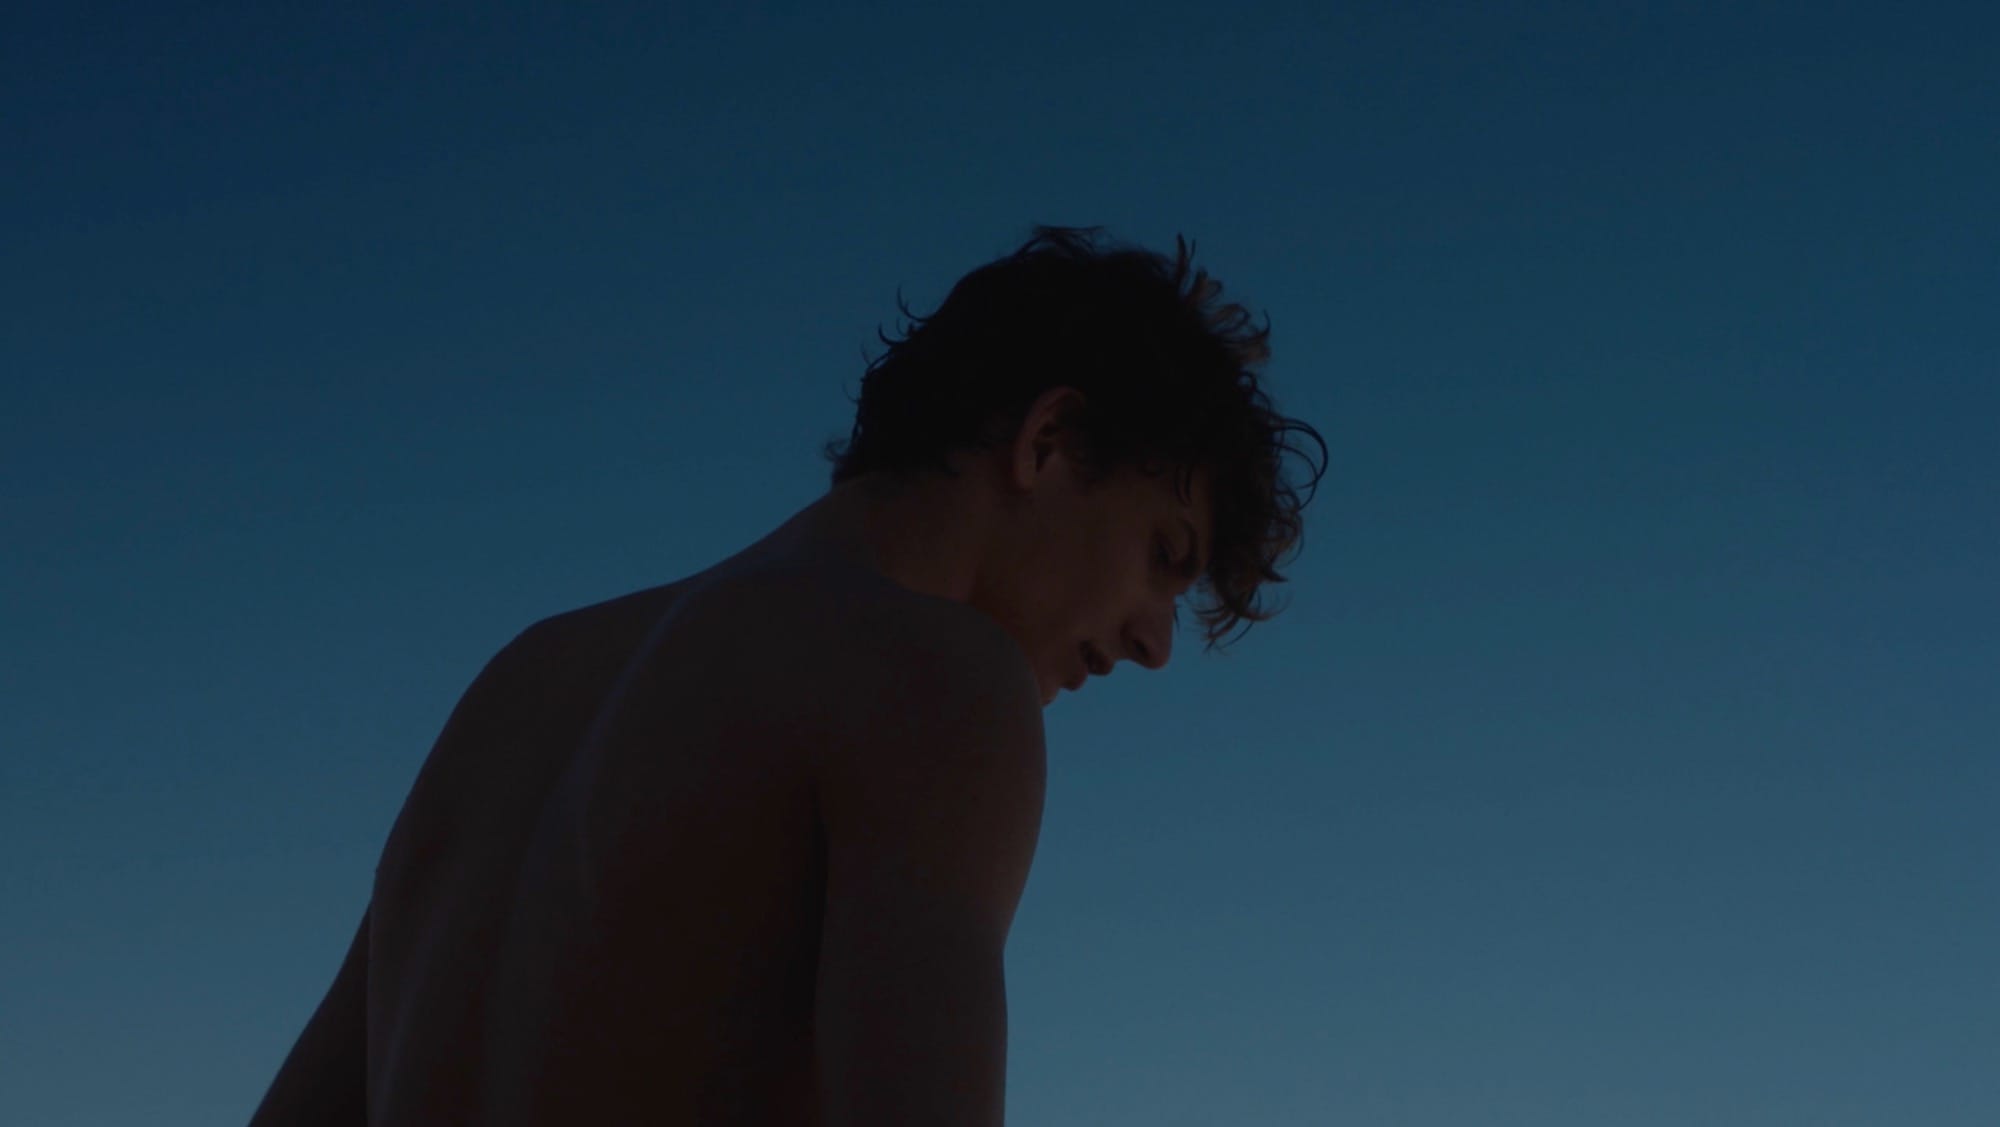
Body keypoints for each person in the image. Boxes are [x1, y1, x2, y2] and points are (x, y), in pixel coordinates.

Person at [247, 225, 1324, 1125]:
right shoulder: (933, 678)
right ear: (1049, 439)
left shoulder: (523, 682)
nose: (1152, 641)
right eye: (1162, 555)